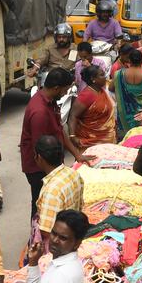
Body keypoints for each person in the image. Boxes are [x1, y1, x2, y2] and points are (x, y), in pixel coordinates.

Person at [21, 68, 88, 209]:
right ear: (57, 88)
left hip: (49, 163)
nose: (65, 94)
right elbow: (40, 151)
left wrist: (77, 154)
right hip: (39, 168)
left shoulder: (49, 101)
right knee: (42, 204)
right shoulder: (39, 112)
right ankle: (37, 231)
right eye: (65, 90)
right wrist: (55, 175)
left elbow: (59, 129)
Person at [33, 135, 84, 237]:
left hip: (60, 246)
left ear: (39, 157)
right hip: (74, 233)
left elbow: (46, 231)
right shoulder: (73, 173)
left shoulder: (52, 191)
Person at [71, 64, 117, 148]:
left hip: (107, 137)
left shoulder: (101, 91)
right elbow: (73, 116)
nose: (105, 77)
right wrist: (73, 136)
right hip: (91, 140)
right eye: (101, 75)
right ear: (93, 79)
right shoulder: (86, 95)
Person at [112, 47, 142, 136]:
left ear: (129, 60)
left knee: (126, 139)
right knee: (141, 137)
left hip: (124, 115)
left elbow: (111, 88)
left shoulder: (119, 74)